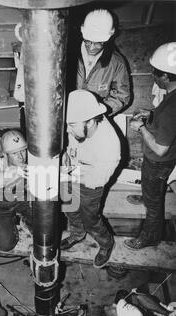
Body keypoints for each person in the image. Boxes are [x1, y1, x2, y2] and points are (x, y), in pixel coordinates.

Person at [124, 43, 176, 250]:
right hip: (160, 161)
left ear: (165, 76)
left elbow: (160, 148)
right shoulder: (172, 96)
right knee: (151, 190)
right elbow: (167, 126)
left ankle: (150, 237)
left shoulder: (173, 107)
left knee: (154, 204)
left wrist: (141, 127)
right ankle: (148, 195)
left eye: (155, 72)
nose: (153, 76)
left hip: (159, 161)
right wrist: (151, 114)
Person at [60, 90, 120, 268]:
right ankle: (77, 234)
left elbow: (96, 180)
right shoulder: (79, 124)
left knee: (91, 220)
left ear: (91, 121)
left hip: (90, 185)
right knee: (69, 208)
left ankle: (106, 244)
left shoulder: (109, 145)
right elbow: (69, 144)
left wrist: (69, 173)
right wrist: (64, 156)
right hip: (70, 173)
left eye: (71, 125)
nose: (67, 130)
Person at [76, 9, 130, 116]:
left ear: (107, 39)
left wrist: (99, 112)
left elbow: (122, 96)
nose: (91, 47)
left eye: (98, 43)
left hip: (96, 116)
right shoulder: (67, 54)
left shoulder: (116, 63)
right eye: (87, 41)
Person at [0, 130, 32, 252]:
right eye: (15, 153)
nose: (21, 156)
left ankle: (25, 221)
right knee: (5, 246)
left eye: (23, 151)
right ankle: (7, 223)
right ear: (5, 155)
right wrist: (16, 172)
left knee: (45, 229)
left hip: (22, 199)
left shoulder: (31, 159)